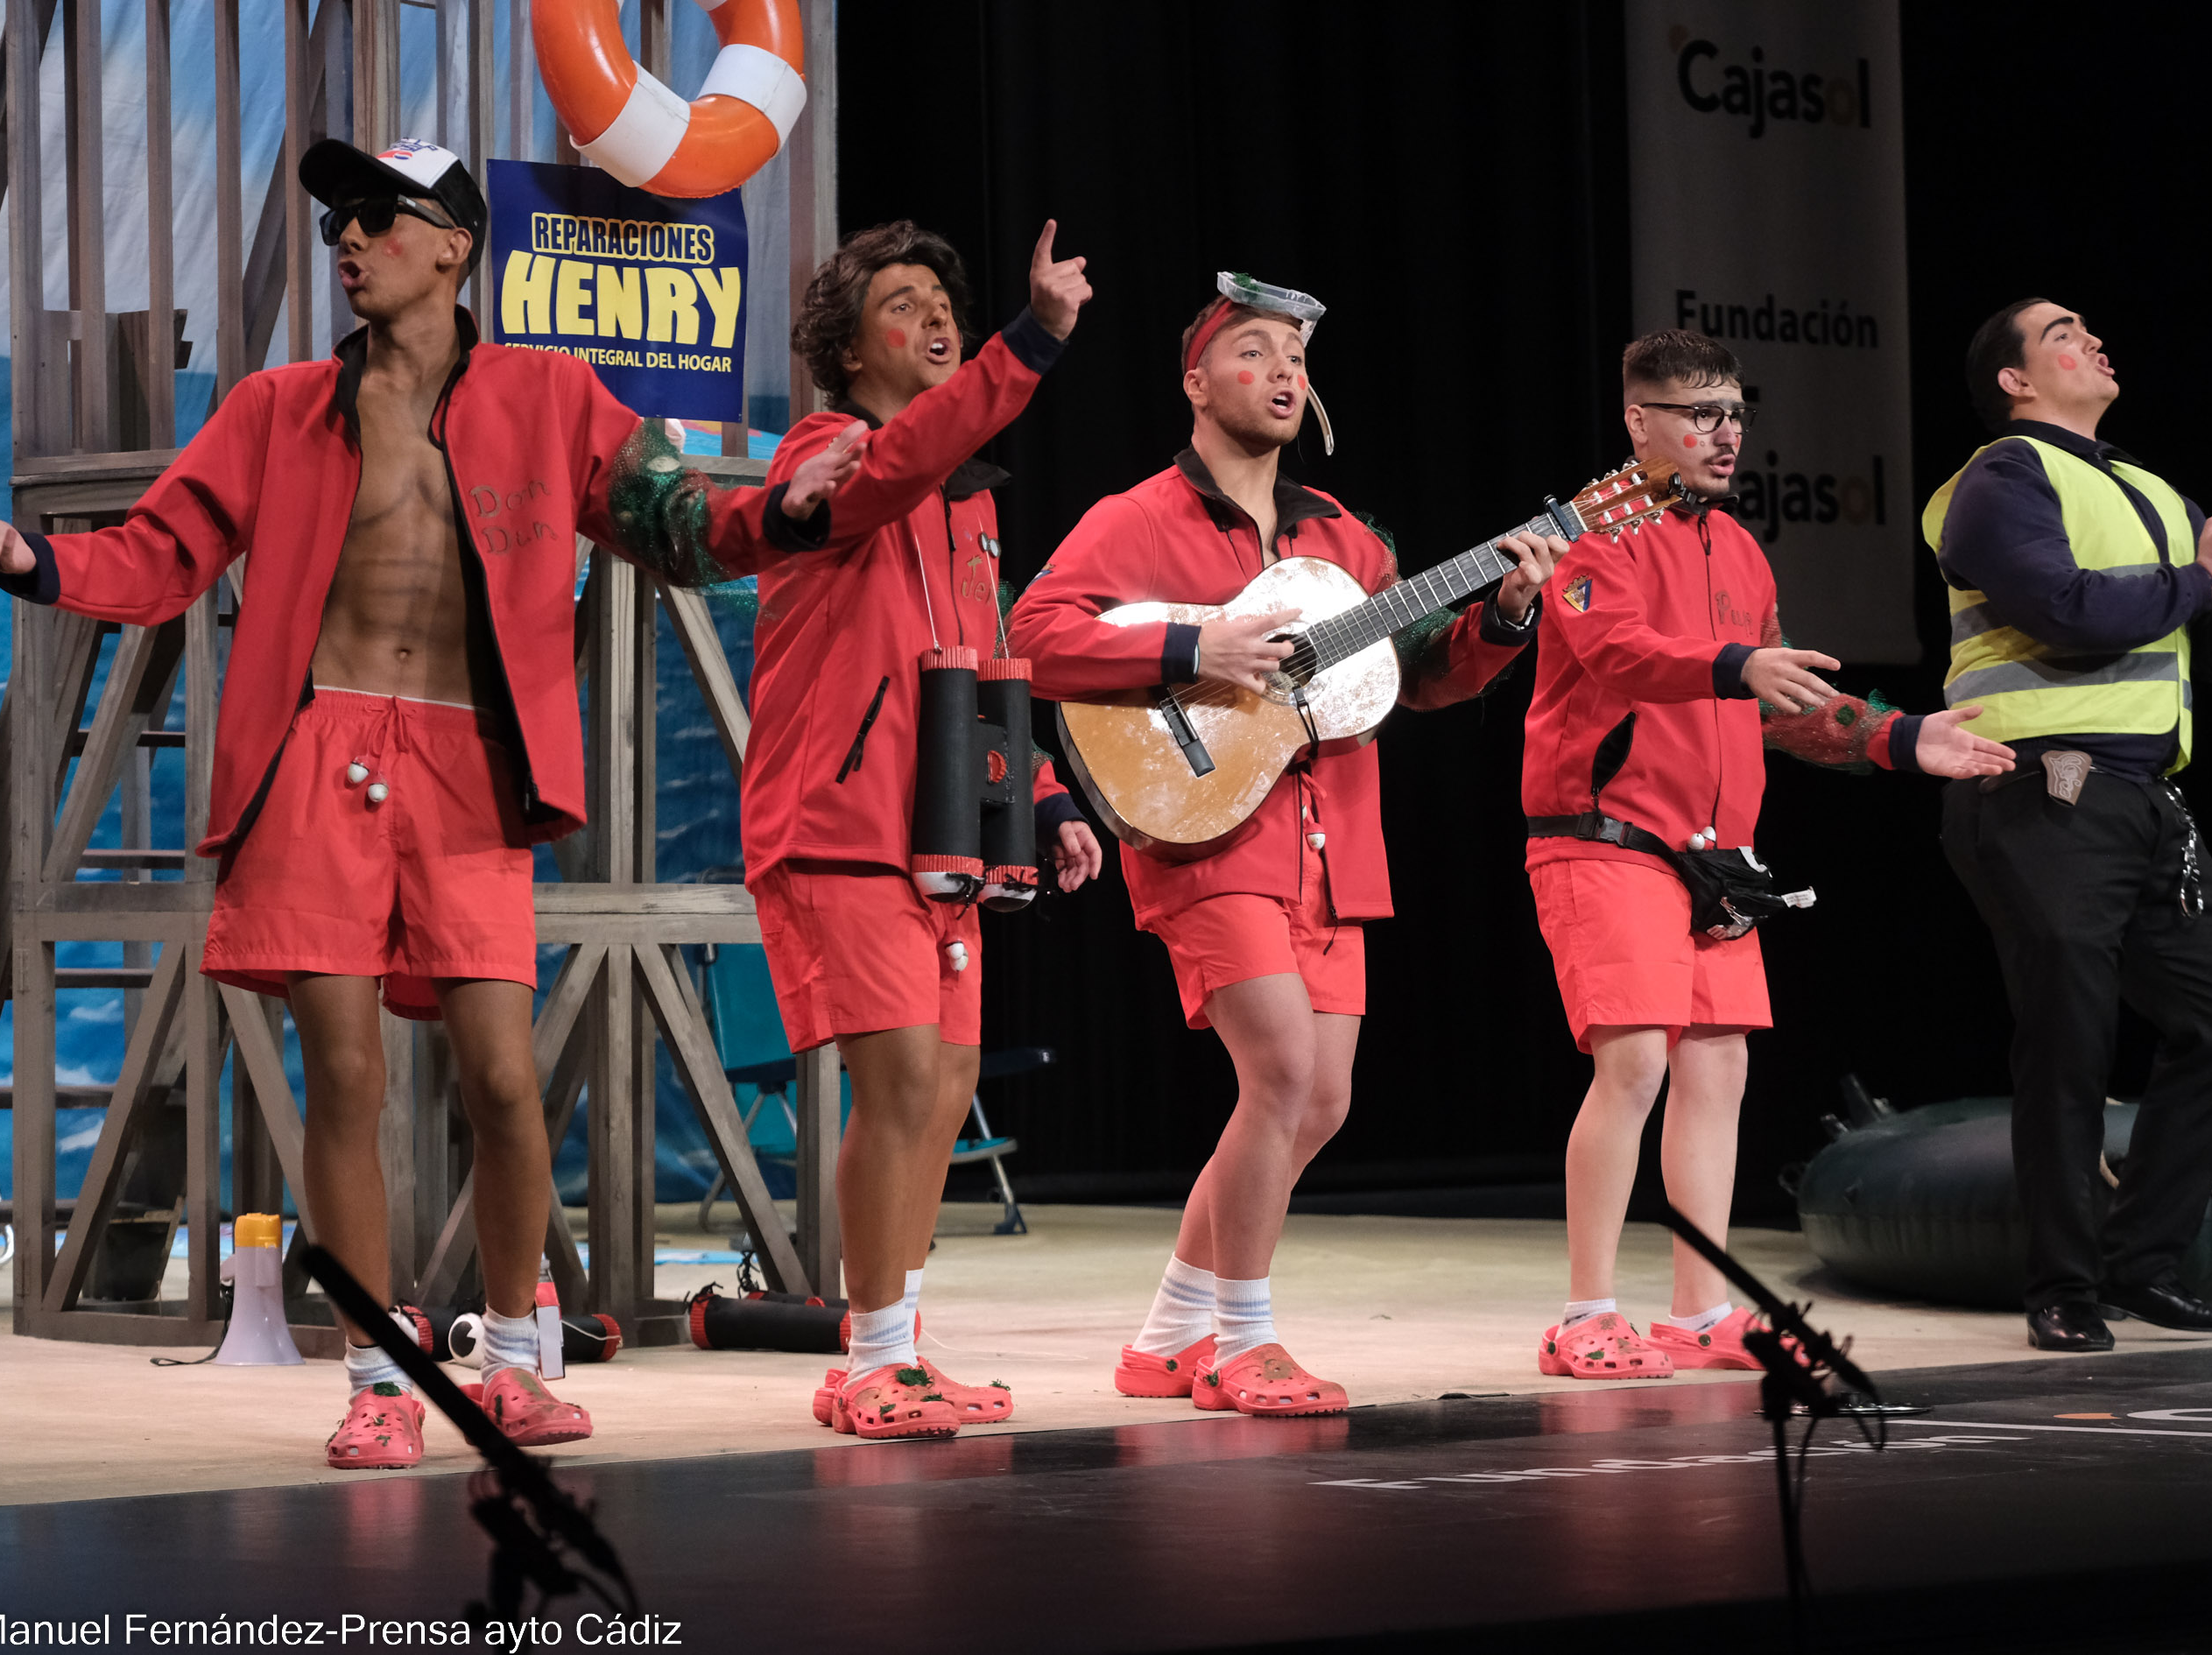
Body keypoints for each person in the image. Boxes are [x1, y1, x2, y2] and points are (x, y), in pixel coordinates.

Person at [0, 138, 857, 1469]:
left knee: (502, 1081)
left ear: (453, 246)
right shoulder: (278, 404)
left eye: (379, 219)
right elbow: (162, 550)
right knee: (344, 1071)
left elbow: (675, 522)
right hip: (317, 752)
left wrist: (780, 513)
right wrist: (31, 558)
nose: (349, 240)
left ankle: (512, 1357)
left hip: (468, 765)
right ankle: (381, 1379)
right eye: (337, 221)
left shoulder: (550, 393)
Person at [1011, 278, 1560, 1417]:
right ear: (1195, 380)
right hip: (1206, 829)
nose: (1281, 373)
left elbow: (1418, 674)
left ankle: (1167, 1334)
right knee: (1280, 1074)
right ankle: (1243, 1342)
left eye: (1295, 360)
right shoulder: (1138, 518)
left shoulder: (1344, 538)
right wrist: (1194, 641)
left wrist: (1502, 610)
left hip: (1333, 840)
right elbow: (1035, 635)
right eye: (1253, 352)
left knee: (1318, 1103)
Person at [1521, 328, 2017, 1383]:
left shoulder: (1740, 549)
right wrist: (1738, 662)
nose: (1725, 432)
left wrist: (1900, 737)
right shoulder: (1589, 533)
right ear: (1637, 420)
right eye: (1699, 413)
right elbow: (1621, 654)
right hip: (1607, 837)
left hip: (1719, 855)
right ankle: (1584, 1310)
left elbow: (1782, 703)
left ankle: (1701, 1314)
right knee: (1638, 1060)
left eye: (1735, 412)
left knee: (1719, 1066)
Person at [753, 219, 1102, 1440]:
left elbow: (989, 665)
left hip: (942, 835)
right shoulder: (831, 450)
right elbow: (901, 459)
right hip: (837, 822)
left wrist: (1045, 797)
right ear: (846, 350)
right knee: (899, 1080)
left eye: (942, 299)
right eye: (901, 304)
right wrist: (1031, 339)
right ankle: (864, 1359)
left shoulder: (965, 508)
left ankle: (896, 1348)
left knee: (944, 1087)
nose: (934, 318)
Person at [1928, 298, 2212, 1352]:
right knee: (2070, 1039)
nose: (2092, 338)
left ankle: (2144, 1263)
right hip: (2041, 788)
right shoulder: (2000, 478)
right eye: (2062, 333)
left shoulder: (2150, 488)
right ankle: (2063, 1284)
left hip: (2145, 798)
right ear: (2016, 379)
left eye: (2093, 327)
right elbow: (2068, 611)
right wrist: (2207, 578)